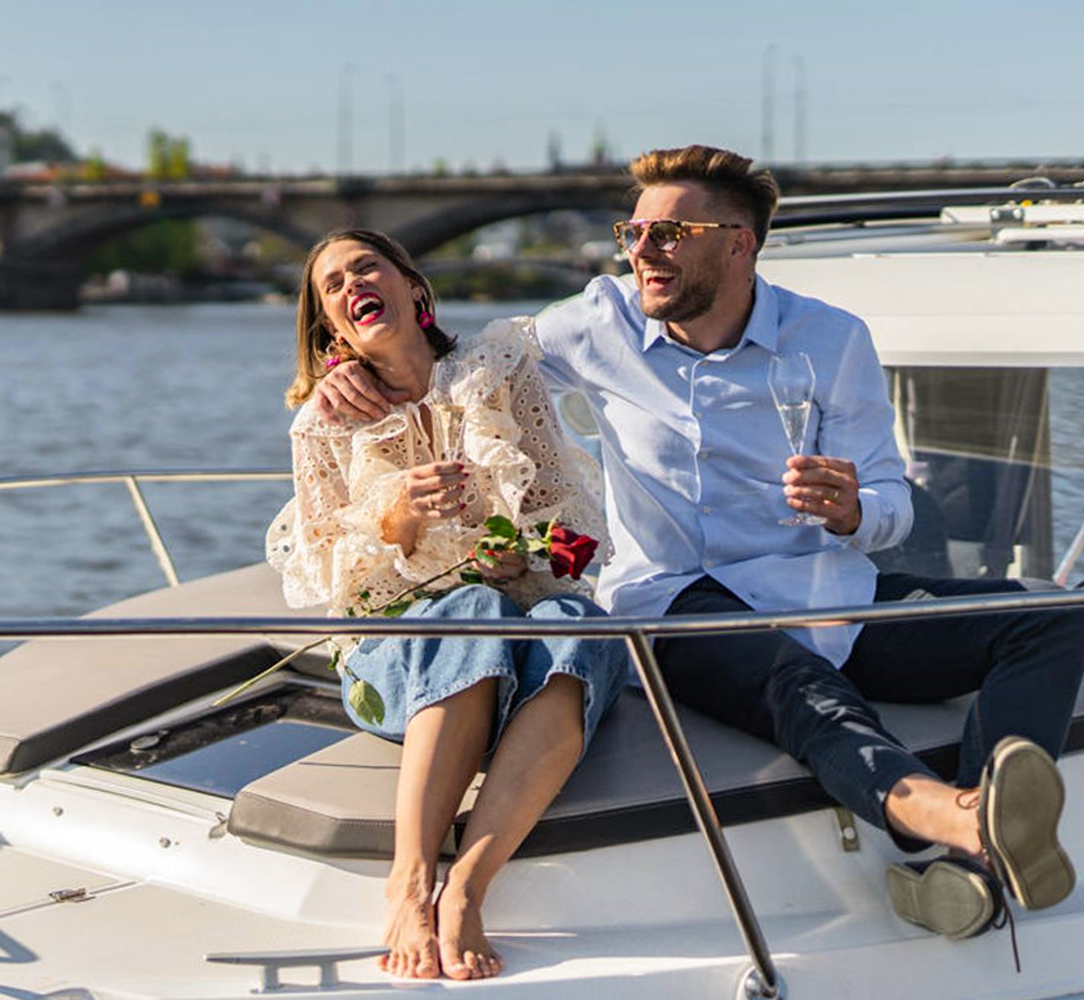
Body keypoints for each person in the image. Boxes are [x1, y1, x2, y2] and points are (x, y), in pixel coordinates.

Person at [312, 147, 1083, 944]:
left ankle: (976, 858)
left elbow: (891, 507)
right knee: (801, 690)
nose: (642, 251)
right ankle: (954, 816)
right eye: (634, 232)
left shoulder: (831, 339)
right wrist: (347, 366)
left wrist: (854, 512)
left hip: (829, 593)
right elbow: (463, 368)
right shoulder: (596, 322)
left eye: (670, 233)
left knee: (1053, 618)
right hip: (674, 601)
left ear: (739, 243)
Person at [267, 229, 626, 980]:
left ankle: (466, 887)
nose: (351, 284)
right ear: (332, 327)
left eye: (365, 267)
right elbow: (332, 577)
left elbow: (570, 519)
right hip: (392, 652)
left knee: (583, 624)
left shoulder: (498, 372)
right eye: (332, 285)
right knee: (472, 614)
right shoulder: (324, 424)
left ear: (414, 287)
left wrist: (522, 558)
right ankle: (408, 879)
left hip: (515, 610)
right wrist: (400, 516)